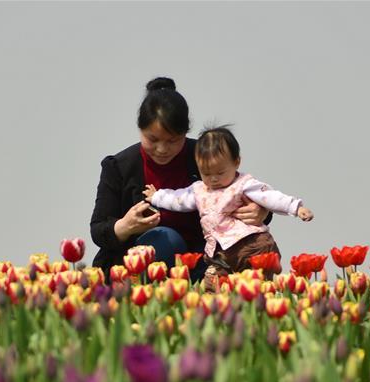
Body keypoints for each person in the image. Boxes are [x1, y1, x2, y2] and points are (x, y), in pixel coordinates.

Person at [90, 77, 271, 281]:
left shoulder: (204, 156)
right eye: (153, 139)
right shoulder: (119, 167)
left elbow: (243, 191)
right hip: (135, 268)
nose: (162, 149)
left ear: (185, 133)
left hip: (203, 260)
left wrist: (260, 211)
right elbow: (98, 230)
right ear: (140, 130)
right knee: (166, 239)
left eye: (173, 141)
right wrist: (125, 226)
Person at [143, 125, 313, 291]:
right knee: (213, 284)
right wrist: (157, 196)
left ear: (236, 162)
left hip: (251, 245)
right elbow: (179, 200)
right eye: (207, 173)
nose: (214, 179)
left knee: (257, 287)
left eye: (220, 172)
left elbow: (270, 197)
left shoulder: (243, 184)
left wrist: (296, 208)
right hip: (219, 252)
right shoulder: (199, 189)